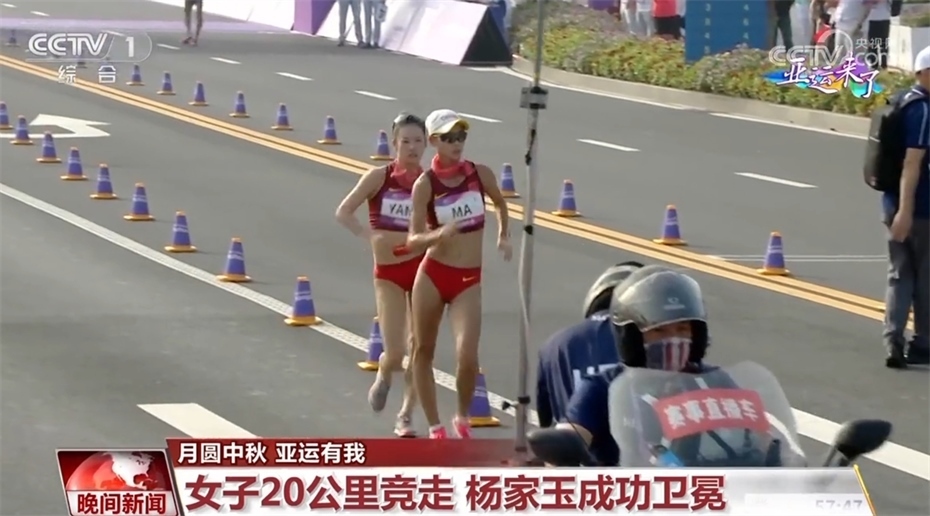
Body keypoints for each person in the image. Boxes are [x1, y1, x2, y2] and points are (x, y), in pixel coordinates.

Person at [407, 109, 512, 439]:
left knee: (467, 356)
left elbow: (501, 203)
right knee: (423, 350)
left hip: (468, 280)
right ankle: (435, 426)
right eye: (450, 137)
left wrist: (503, 234)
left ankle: (462, 418)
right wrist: (438, 234)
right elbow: (413, 240)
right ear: (434, 141)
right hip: (433, 275)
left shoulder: (480, 174)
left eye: (461, 136)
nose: (457, 143)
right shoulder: (425, 184)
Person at [555, 265, 714, 465]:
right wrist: (561, 449)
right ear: (633, 337)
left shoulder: (711, 382)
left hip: (707, 483)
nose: (673, 339)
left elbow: (750, 432)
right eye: (659, 330)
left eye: (682, 329)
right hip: (626, 483)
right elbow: (569, 438)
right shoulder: (602, 388)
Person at [335, 113, 427, 436]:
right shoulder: (378, 177)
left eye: (418, 141)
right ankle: (385, 373)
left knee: (420, 350)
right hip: (388, 273)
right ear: (394, 144)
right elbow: (344, 212)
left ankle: (406, 415)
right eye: (406, 141)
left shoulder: (430, 183)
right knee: (397, 352)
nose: (412, 147)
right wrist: (368, 236)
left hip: (423, 272)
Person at [535, 261, 644, 428]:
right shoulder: (650, 340)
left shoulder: (552, 346)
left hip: (573, 441)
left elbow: (545, 421)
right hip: (643, 442)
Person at [883, 46, 930, 369]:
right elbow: (912, 163)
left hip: (894, 203)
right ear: (924, 73)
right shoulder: (923, 110)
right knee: (924, 277)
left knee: (900, 275)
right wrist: (906, 211)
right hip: (919, 207)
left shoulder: (902, 100)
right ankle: (921, 343)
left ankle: (893, 342)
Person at [866, 0, 891, 70]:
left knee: (883, 44)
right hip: (872, 18)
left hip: (882, 18)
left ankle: (883, 65)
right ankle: (874, 65)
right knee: (873, 44)